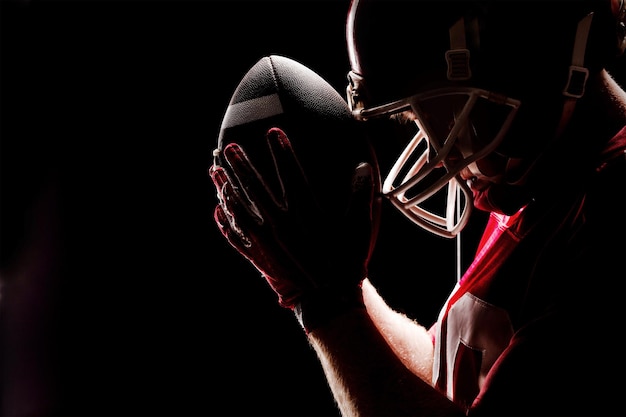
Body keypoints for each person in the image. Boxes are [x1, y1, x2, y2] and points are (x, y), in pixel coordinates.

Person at [210, 0, 626, 415]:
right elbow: (445, 381)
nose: (441, 154)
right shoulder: (545, 184)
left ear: (528, 59)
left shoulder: (608, 216)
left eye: (448, 115)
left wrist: (327, 309)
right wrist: (332, 277)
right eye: (415, 118)